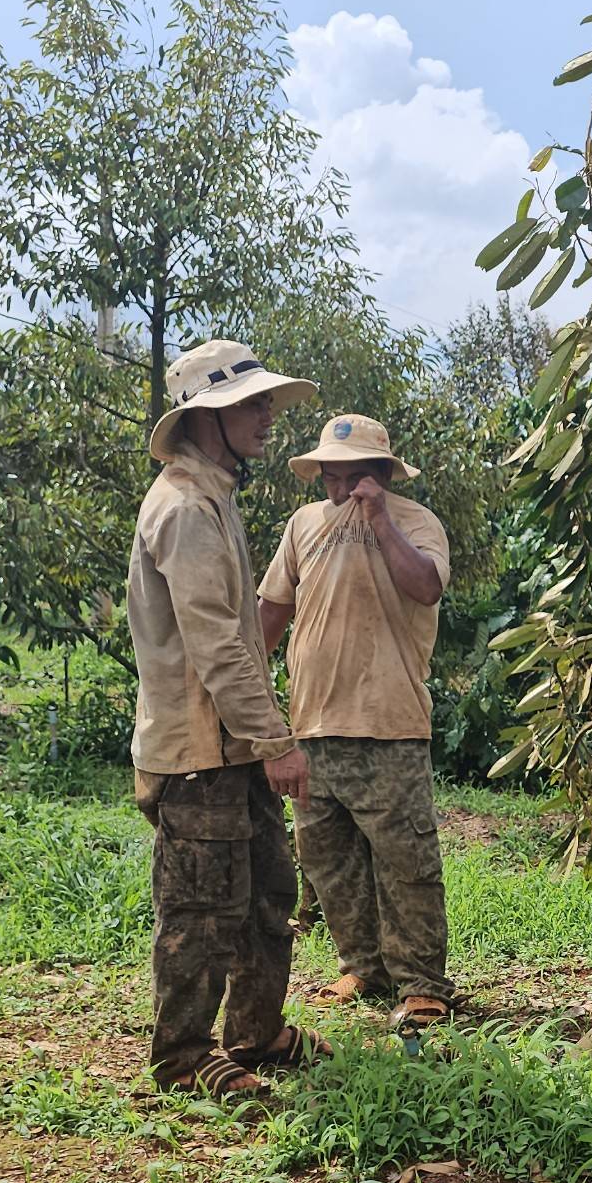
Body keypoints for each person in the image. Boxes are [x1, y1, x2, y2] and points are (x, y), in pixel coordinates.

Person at [127, 339, 330, 1101]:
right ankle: (182, 1053)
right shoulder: (183, 508)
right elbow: (215, 641)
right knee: (201, 908)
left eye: (264, 400)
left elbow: (235, 634)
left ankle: (255, 1031)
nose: (268, 413)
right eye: (251, 402)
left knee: (268, 888)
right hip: (195, 752)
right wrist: (275, 737)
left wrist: (260, 735)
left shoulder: (214, 496)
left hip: (230, 743)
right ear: (206, 416)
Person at [258, 414, 455, 1033]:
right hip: (312, 723)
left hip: (390, 723)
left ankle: (422, 984)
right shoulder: (304, 525)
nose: (341, 490)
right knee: (328, 857)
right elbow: (272, 610)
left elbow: (424, 587)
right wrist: (240, 690)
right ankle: (363, 967)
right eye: (331, 478)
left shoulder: (415, 523)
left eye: (355, 478)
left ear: (382, 475)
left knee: (405, 860)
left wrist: (379, 520)